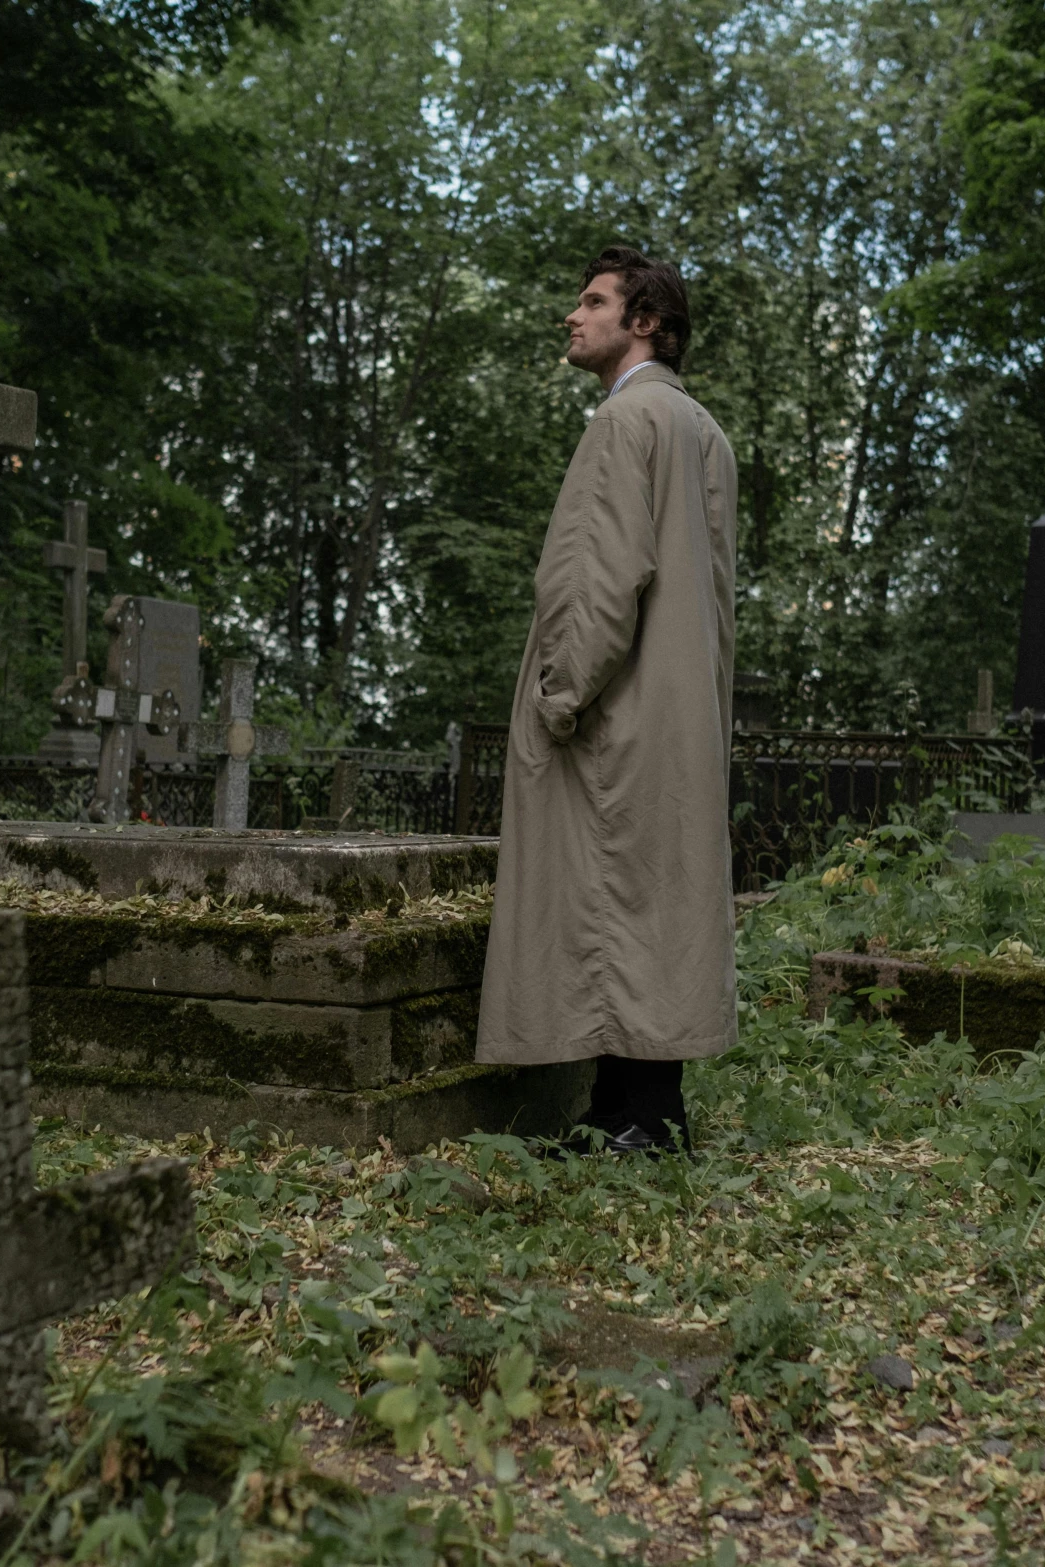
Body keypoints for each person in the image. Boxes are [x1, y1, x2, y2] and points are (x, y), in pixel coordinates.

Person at [476, 245, 739, 1154]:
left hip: (614, 713)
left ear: (646, 323)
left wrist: (558, 696)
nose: (570, 315)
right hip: (679, 710)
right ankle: (629, 1114)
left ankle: (638, 1120)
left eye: (592, 301)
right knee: (651, 901)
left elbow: (599, 579)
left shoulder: (624, 425)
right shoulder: (704, 430)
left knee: (606, 898)